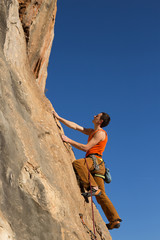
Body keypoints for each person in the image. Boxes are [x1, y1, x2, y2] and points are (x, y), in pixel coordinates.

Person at [52, 111, 122, 230]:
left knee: (78, 164)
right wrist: (59, 118)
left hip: (95, 161)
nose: (94, 116)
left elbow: (85, 147)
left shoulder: (100, 133)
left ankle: (93, 188)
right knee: (101, 195)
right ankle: (114, 219)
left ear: (100, 121)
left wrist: (69, 140)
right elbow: (75, 126)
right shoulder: (92, 131)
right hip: (98, 166)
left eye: (97, 116)